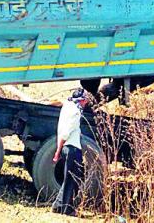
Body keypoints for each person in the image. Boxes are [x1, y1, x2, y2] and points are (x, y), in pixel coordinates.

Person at [51, 88, 89, 217]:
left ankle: (58, 206)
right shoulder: (75, 112)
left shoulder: (66, 107)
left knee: (69, 178)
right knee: (72, 179)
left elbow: (61, 130)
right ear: (82, 100)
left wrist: (59, 149)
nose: (86, 103)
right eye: (85, 100)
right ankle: (65, 208)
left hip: (67, 148)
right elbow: (66, 132)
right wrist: (57, 151)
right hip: (72, 148)